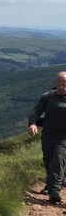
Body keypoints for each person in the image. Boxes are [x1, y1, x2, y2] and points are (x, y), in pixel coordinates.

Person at [28, 71, 66, 204]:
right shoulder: (48, 97)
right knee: (49, 161)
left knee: (58, 158)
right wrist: (32, 123)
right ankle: (55, 182)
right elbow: (37, 111)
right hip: (49, 135)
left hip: (64, 137)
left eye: (64, 84)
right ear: (55, 83)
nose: (62, 87)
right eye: (59, 84)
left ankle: (54, 191)